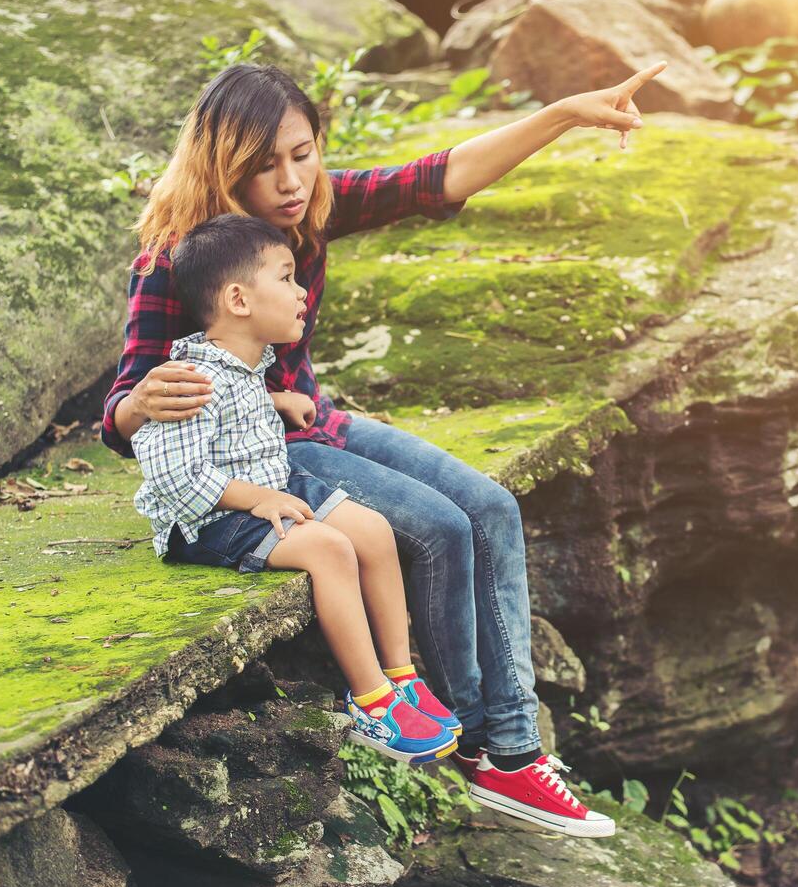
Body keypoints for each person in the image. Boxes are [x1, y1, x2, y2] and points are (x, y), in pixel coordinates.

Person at [101, 60, 658, 837]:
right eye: (264, 166)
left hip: (313, 420)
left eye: (302, 152)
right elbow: (124, 409)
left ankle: (507, 752)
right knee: (436, 526)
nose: (291, 179)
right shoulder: (178, 257)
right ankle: (484, 742)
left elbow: (438, 177)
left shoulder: (307, 210)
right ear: (224, 166)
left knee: (490, 506)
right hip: (256, 457)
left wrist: (563, 112)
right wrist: (137, 406)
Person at [132, 214, 460, 765]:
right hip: (212, 519)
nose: (300, 291)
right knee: (330, 548)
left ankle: (401, 677)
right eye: (285, 278)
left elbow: (234, 416)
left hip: (268, 485)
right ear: (239, 299)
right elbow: (175, 477)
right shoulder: (189, 378)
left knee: (373, 530)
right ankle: (372, 703)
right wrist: (258, 500)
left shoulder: (241, 364)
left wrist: (276, 404)